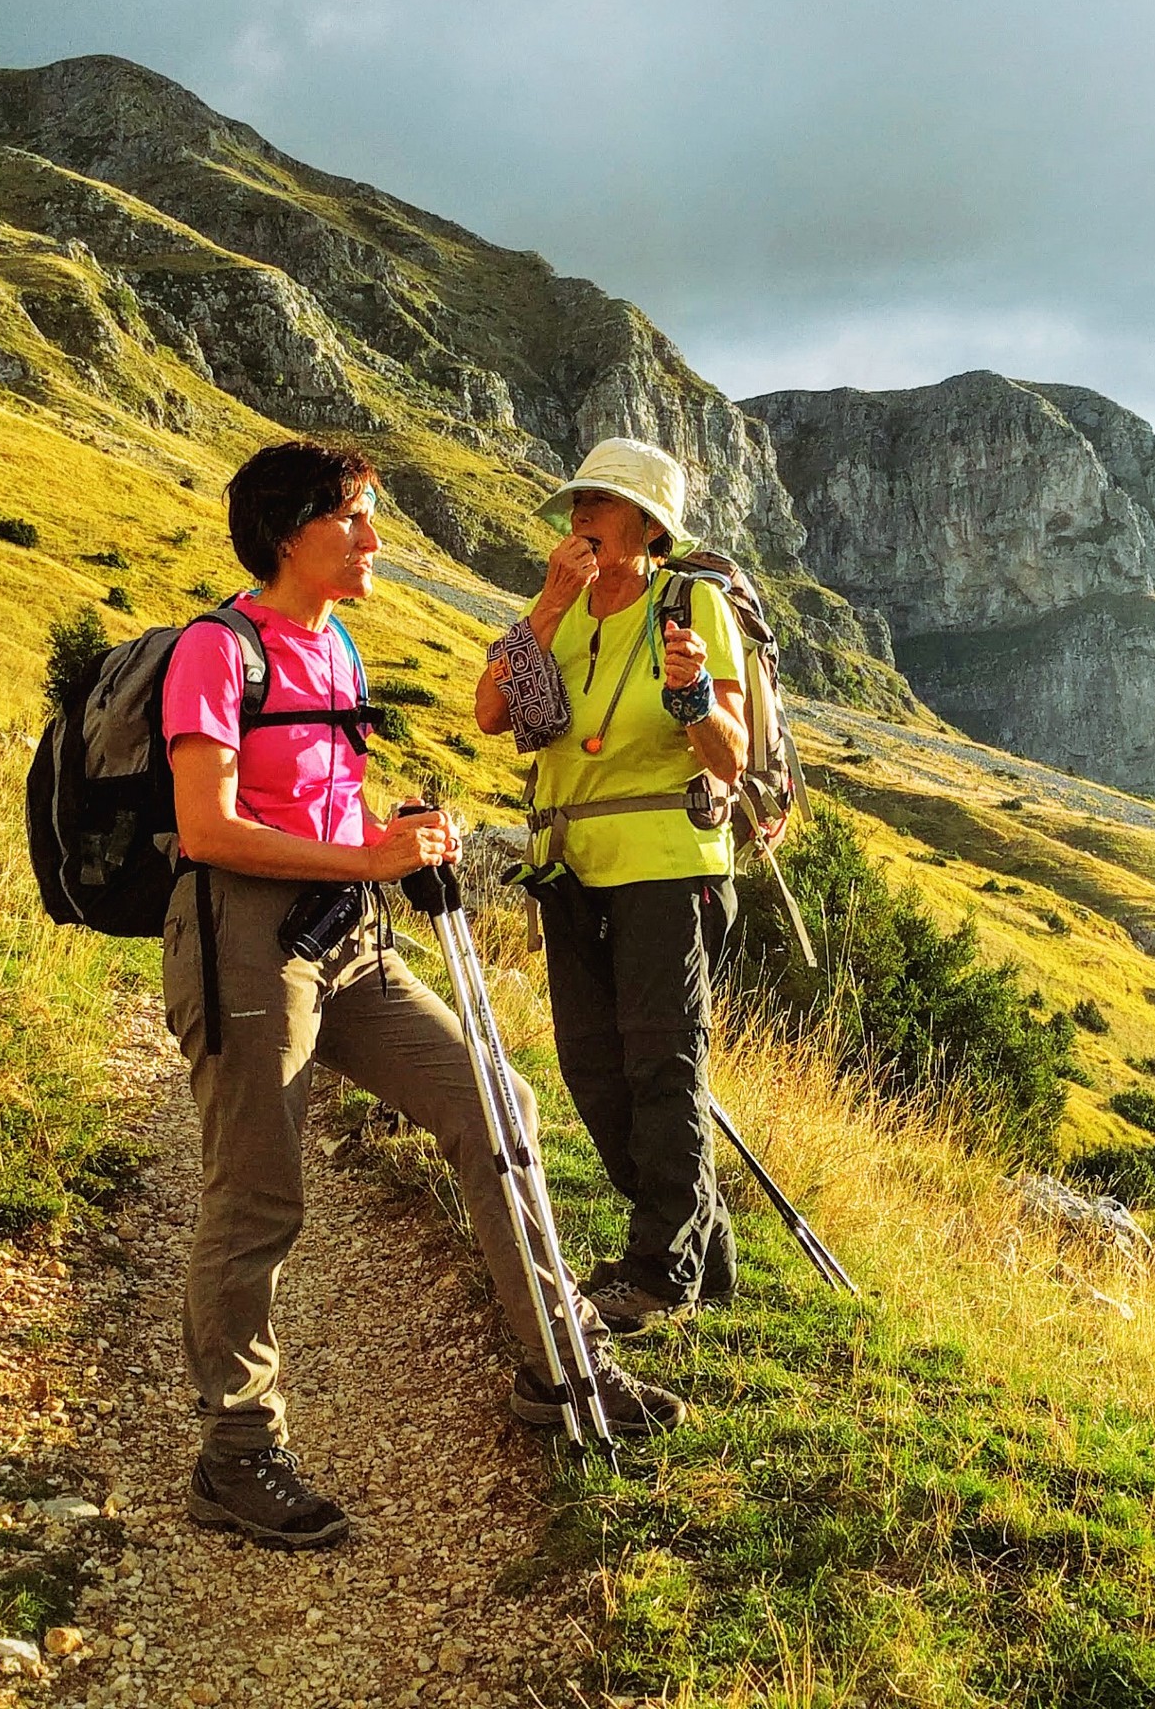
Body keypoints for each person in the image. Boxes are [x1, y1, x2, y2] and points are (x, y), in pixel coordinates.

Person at [162, 438, 685, 1551]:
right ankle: (235, 1452)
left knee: (498, 1107)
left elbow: (322, 807)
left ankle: (558, 1366)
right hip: (246, 945)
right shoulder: (216, 653)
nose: (372, 539)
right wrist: (366, 863)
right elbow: (207, 830)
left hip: (349, 939)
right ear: (286, 531)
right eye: (351, 518)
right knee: (259, 1195)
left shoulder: (338, 648)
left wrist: (394, 836)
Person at [472, 437, 749, 1335]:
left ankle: (659, 1270)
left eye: (601, 501)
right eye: (579, 500)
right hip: (568, 869)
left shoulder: (691, 603)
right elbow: (489, 712)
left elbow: (733, 758)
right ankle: (696, 1245)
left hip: (668, 866)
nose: (581, 514)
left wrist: (698, 694)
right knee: (593, 1067)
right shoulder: (561, 607)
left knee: (661, 1064)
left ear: (648, 523)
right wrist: (550, 604)